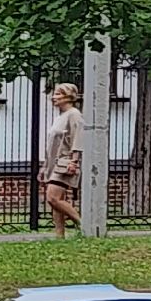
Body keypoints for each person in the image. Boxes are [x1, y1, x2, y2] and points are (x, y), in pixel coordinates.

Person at [42, 83, 84, 238]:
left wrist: (74, 161)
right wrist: (45, 165)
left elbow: (78, 138)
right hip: (54, 163)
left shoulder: (74, 114)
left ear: (69, 96)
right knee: (56, 200)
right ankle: (59, 235)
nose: (54, 97)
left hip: (65, 162)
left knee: (52, 197)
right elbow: (52, 144)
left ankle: (83, 224)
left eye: (58, 94)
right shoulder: (60, 117)